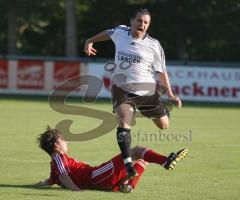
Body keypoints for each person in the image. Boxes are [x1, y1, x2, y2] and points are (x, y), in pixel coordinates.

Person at [84, 8, 182, 179]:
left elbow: (161, 71)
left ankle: (160, 105)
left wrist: (171, 95)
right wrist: (90, 41)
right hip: (121, 89)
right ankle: (128, 164)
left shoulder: (154, 45)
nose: (142, 24)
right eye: (139, 21)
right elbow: (108, 33)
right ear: (131, 21)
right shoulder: (121, 32)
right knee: (123, 120)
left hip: (146, 91)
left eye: (145, 22)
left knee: (164, 126)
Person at [36, 127, 188, 193]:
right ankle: (165, 161)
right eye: (63, 140)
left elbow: (53, 179)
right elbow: (63, 176)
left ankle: (127, 185)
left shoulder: (55, 163)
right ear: (56, 145)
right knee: (137, 151)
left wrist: (35, 184)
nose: (66, 142)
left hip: (101, 180)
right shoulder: (59, 158)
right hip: (97, 175)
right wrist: (76, 190)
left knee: (143, 159)